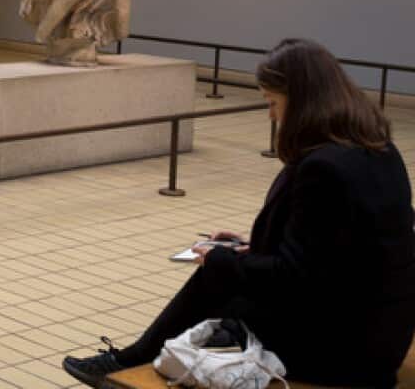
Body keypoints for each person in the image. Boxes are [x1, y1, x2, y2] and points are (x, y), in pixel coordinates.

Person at [63, 38, 415, 387]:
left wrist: (223, 262)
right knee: (224, 273)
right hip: (381, 330)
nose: (271, 115)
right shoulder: (379, 149)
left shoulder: (323, 167)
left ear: (303, 101)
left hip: (342, 349)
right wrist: (252, 246)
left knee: (215, 276)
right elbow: (338, 251)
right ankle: (133, 356)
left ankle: (127, 362)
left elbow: (296, 275)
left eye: (273, 102)